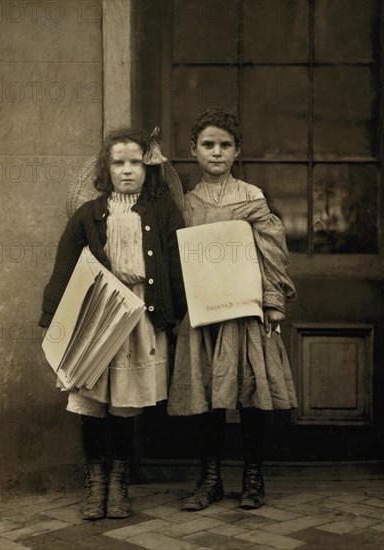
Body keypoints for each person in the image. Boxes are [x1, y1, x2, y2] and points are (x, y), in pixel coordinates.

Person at [39, 127, 186, 520]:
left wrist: (177, 313)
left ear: (148, 167)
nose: (126, 170)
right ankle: (95, 482)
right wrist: (53, 318)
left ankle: (119, 481)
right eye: (118, 163)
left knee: (124, 402)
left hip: (140, 313)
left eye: (135, 162)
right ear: (106, 169)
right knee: (91, 401)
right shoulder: (89, 214)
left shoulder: (162, 211)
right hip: (96, 315)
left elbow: (177, 264)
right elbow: (64, 265)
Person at [167, 107, 297, 511]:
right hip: (205, 311)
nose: (216, 153)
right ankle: (210, 479)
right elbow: (178, 255)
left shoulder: (251, 197)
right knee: (208, 397)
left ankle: (253, 477)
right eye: (208, 145)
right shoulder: (185, 203)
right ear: (193, 151)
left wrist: (273, 302)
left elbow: (273, 250)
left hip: (245, 310)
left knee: (251, 394)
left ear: (237, 151)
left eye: (225, 145)